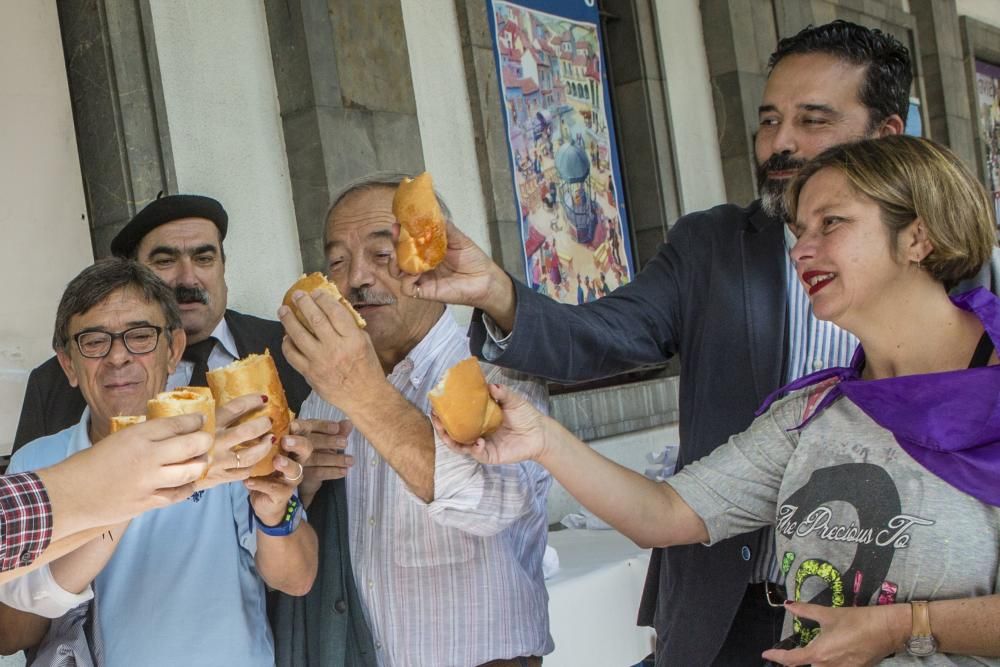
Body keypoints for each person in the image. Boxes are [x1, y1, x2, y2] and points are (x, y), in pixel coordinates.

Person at [400, 21, 929, 665]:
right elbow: (605, 341)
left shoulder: (960, 291)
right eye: (768, 120)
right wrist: (497, 292)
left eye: (813, 120)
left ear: (886, 135)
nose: (781, 142)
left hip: (894, 610)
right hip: (727, 604)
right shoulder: (714, 249)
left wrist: (922, 623)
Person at [439, 135, 1000, 666]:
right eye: (800, 229)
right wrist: (541, 438)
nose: (802, 249)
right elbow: (664, 514)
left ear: (917, 239)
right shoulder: (816, 412)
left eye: (832, 223)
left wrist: (903, 627)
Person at [272, 174, 552, 667]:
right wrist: (300, 490)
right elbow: (300, 545)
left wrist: (363, 392)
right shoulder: (324, 397)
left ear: (434, 259)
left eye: (383, 255)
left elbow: (496, 506)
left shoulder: (497, 372)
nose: (357, 278)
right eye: (337, 261)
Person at [0, 259, 316, 665]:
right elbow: (10, 634)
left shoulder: (226, 444)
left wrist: (277, 513)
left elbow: (298, 578)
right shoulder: (35, 461)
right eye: (94, 341)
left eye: (141, 336)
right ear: (68, 365)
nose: (118, 357)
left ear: (174, 351)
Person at [13, 193, 310, 450]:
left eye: (204, 258)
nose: (188, 278)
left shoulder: (291, 349)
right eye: (165, 261)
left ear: (223, 267)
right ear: (133, 276)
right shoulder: (54, 383)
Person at [0, 414, 215, 582]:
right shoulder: (31, 459)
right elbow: (31, 602)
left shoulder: (214, 451)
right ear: (69, 368)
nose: (119, 357)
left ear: (172, 357)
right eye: (94, 353)